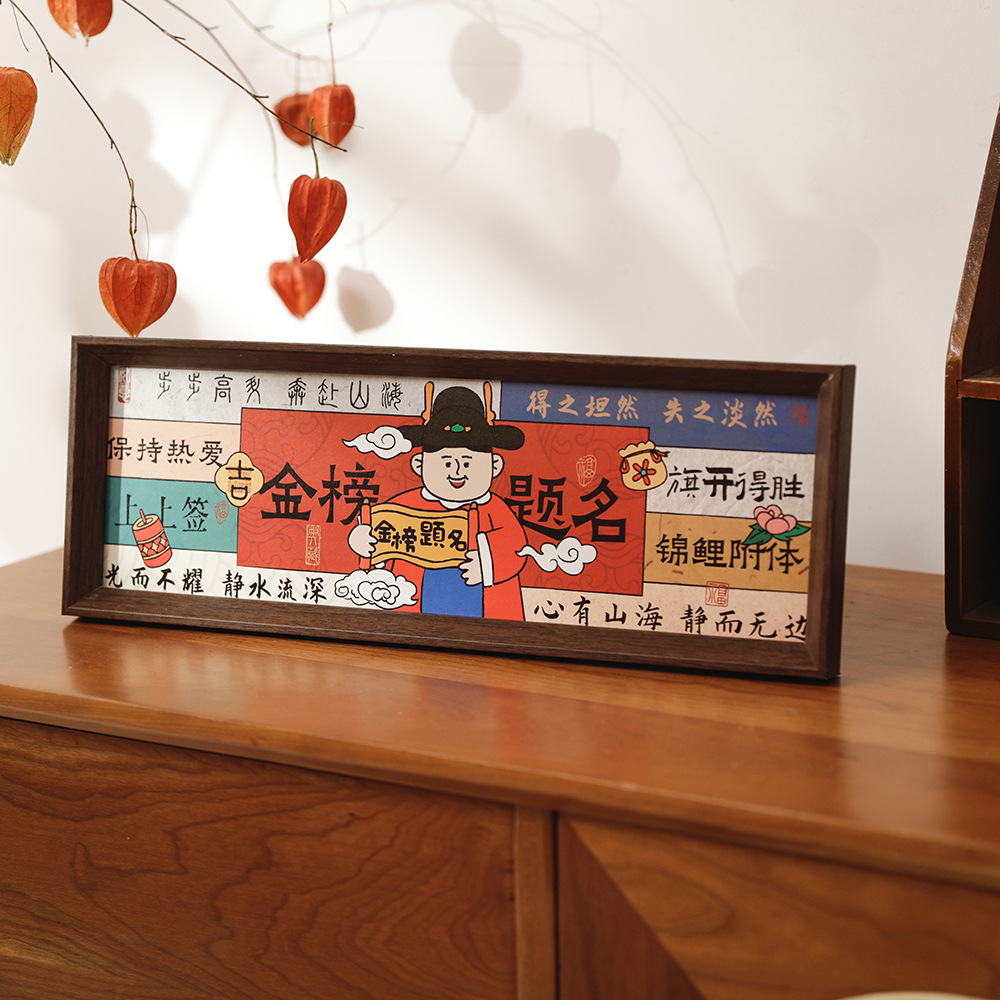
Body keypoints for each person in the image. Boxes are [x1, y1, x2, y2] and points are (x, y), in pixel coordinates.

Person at [348, 383, 528, 619]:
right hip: (414, 607)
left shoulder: (494, 509)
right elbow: (379, 529)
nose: (457, 471)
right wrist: (361, 539)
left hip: (484, 608)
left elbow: (516, 546)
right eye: (446, 462)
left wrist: (486, 563)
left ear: (495, 466)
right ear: (419, 465)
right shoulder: (405, 506)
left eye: (467, 462)